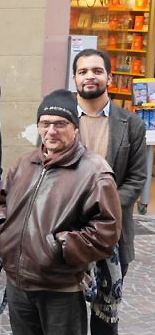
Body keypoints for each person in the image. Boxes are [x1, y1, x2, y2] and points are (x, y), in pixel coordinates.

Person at [0, 90, 121, 335]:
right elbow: (2, 202)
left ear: (75, 128)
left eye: (60, 124)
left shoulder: (95, 172)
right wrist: (2, 230)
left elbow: (106, 231)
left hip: (60, 287)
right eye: (45, 123)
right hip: (18, 283)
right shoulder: (25, 163)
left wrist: (60, 246)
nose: (51, 131)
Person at [71, 49, 146, 335]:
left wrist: (106, 207)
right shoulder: (60, 120)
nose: (90, 76)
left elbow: (137, 179)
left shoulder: (132, 125)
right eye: (83, 71)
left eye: (97, 71)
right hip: (69, 231)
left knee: (105, 317)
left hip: (113, 233)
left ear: (109, 77)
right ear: (75, 78)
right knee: (67, 314)